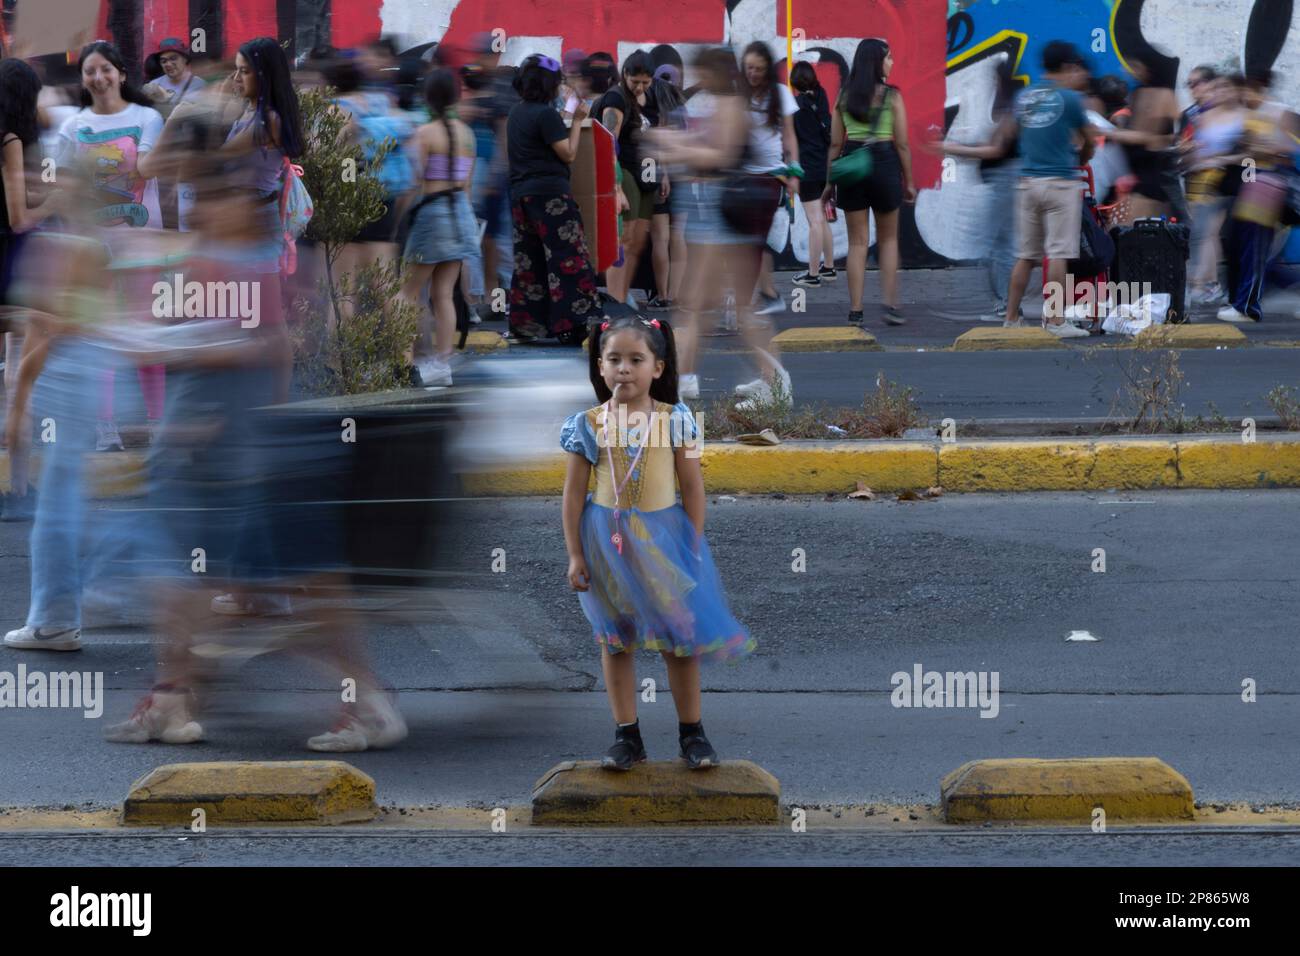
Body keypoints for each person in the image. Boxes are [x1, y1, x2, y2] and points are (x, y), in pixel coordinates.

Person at [561, 314, 754, 770]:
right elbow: (573, 495)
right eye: (613, 360)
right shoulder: (587, 424)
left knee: (677, 637)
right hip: (606, 541)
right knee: (615, 640)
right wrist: (574, 554)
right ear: (600, 367)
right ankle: (627, 735)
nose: (623, 369)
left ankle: (693, 733)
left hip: (665, 541)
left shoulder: (677, 420)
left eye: (635, 359)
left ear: (658, 369)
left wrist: (693, 544)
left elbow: (693, 487)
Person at [55, 40, 167, 450]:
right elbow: (65, 188)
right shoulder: (73, 126)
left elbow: (147, 167)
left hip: (142, 241)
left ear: (121, 73)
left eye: (105, 69)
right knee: (99, 333)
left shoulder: (147, 118)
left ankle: (156, 423)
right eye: (90, 71)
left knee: (146, 333)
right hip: (93, 246)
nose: (98, 78)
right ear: (82, 79)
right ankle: (106, 428)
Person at [504, 54, 601, 345]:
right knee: (567, 259)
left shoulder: (516, 113)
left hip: (522, 196)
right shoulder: (545, 115)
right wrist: (578, 121)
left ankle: (527, 325)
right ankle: (573, 323)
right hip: (551, 196)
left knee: (528, 261)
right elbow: (569, 153)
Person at [1001, 40, 1096, 337]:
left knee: (1025, 255)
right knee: (1057, 252)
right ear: (1068, 66)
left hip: (1027, 182)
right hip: (1059, 183)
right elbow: (1089, 139)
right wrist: (1081, 156)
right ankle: (1054, 321)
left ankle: (1011, 317)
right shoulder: (1070, 99)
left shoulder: (1024, 98)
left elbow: (1014, 135)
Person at [1, 58, 61, 521]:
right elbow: (20, 219)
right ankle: (20, 487)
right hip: (13, 267)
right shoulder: (12, 140)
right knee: (22, 377)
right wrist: (57, 200)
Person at [823, 38, 916, 327]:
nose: (891, 62)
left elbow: (836, 143)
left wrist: (829, 183)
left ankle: (855, 310)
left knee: (857, 243)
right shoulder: (892, 96)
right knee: (888, 240)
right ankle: (890, 305)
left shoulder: (844, 96)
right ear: (876, 62)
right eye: (888, 58)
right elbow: (902, 144)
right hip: (885, 162)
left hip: (852, 164)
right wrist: (909, 181)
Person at [399, 68, 477, 386]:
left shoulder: (424, 134)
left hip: (431, 214)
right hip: (460, 212)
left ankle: (405, 363)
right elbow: (467, 184)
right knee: (444, 293)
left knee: (407, 292)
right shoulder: (467, 134)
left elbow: (413, 183)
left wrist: (398, 220)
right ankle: (442, 366)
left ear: (427, 98)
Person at [935, 54, 1021, 323]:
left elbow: (997, 149)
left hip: (1006, 180)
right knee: (999, 245)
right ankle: (1006, 305)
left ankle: (1007, 307)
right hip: (1002, 180)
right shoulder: (1007, 103)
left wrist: (949, 147)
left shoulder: (1012, 105)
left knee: (1001, 246)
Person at [741, 42, 801, 317]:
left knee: (754, 240)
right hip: (742, 174)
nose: (753, 73)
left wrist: (793, 171)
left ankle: (746, 302)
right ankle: (767, 295)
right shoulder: (739, 93)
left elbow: (789, 134)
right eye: (749, 68)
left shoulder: (779, 94)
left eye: (759, 69)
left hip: (770, 176)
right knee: (750, 241)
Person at [597, 51, 657, 305]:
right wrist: (616, 186)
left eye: (645, 82)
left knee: (638, 243)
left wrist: (661, 175)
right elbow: (608, 143)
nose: (640, 87)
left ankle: (623, 298)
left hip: (646, 175)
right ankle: (615, 300)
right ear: (625, 75)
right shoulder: (616, 98)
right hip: (625, 174)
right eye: (636, 82)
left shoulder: (646, 98)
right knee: (623, 240)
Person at [645, 63, 687, 310]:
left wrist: (664, 175)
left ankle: (662, 295)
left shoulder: (654, 110)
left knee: (660, 238)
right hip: (682, 176)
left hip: (661, 175)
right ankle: (675, 293)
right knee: (678, 236)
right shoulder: (681, 108)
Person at [789, 60, 835, 289]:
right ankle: (828, 266)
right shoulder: (822, 95)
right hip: (824, 167)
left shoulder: (795, 106)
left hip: (806, 168)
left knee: (814, 221)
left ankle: (813, 273)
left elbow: (791, 139)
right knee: (822, 219)